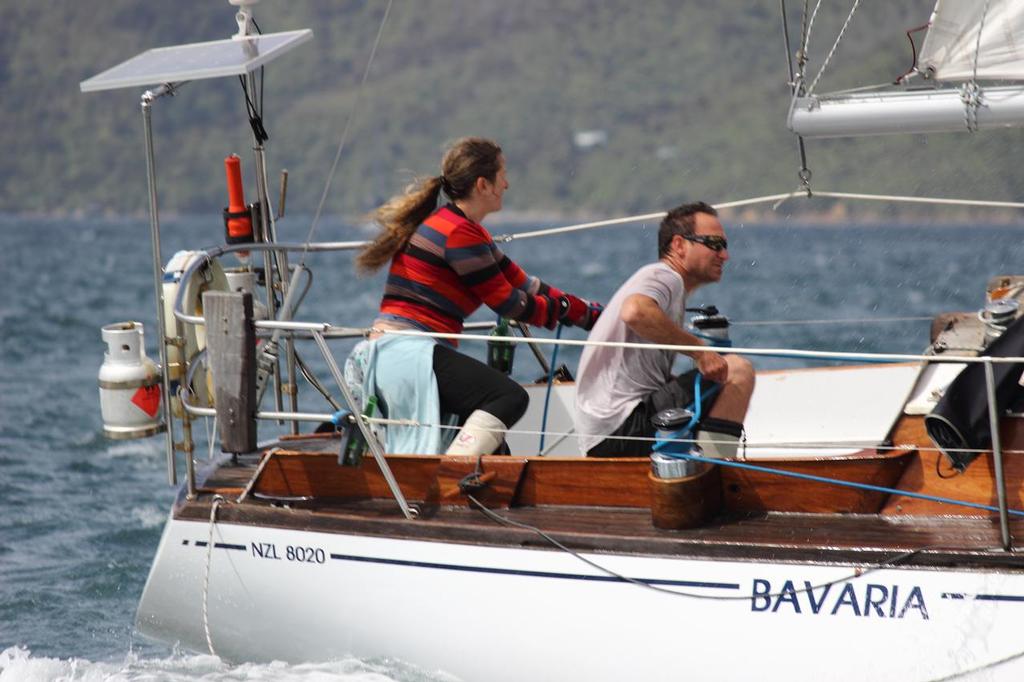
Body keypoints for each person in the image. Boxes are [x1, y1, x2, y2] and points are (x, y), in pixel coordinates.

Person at [355, 137, 601, 456]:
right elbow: (510, 304)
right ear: (483, 184)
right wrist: (565, 309)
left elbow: (527, 286)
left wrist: (593, 315)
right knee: (509, 398)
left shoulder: (461, 228)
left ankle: (466, 488)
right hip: (407, 351)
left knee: (497, 447)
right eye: (503, 174)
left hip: (404, 351)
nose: (507, 184)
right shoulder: (458, 233)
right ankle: (450, 477)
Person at [575, 201, 754, 458]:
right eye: (714, 244)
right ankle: (718, 474)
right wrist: (700, 352)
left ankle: (704, 461)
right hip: (621, 426)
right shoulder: (664, 276)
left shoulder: (668, 286)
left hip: (606, 431)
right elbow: (635, 311)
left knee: (711, 379)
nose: (724, 255)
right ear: (679, 245)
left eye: (724, 246)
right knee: (737, 371)